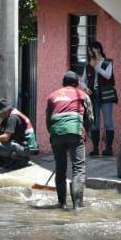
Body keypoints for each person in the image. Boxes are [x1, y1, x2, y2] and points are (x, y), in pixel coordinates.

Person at [46, 70, 93, 209]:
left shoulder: (52, 96)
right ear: (77, 83)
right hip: (74, 131)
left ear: (63, 83)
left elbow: (48, 120)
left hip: (56, 132)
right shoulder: (82, 95)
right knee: (78, 168)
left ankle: (62, 203)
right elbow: (90, 118)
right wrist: (86, 133)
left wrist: (55, 136)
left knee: (60, 169)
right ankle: (77, 205)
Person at [0, 99, 39, 170]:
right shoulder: (11, 114)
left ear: (4, 111)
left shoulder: (12, 118)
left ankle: (22, 159)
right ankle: (19, 159)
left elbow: (6, 137)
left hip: (28, 148)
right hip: (27, 147)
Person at [85, 40, 117, 156]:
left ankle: (109, 148)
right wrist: (85, 88)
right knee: (95, 123)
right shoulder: (89, 65)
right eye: (89, 50)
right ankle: (95, 149)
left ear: (97, 49)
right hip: (93, 95)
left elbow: (108, 75)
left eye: (90, 49)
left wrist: (96, 67)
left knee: (108, 122)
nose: (89, 52)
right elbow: (83, 80)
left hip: (106, 94)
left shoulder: (106, 62)